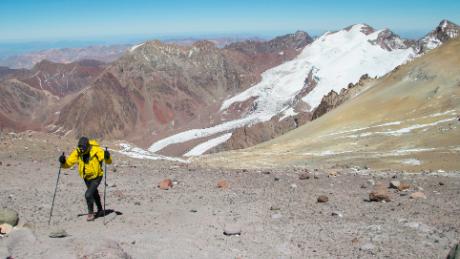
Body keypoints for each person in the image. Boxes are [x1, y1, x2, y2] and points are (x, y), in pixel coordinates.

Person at [59, 137, 112, 221]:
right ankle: (100, 210)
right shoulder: (78, 151)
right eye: (80, 147)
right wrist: (63, 162)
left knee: (88, 194)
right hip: (86, 177)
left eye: (83, 147)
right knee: (94, 193)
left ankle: (90, 214)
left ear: (87, 146)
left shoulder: (96, 150)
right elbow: (68, 164)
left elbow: (108, 161)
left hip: (97, 176)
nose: (81, 150)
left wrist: (107, 157)